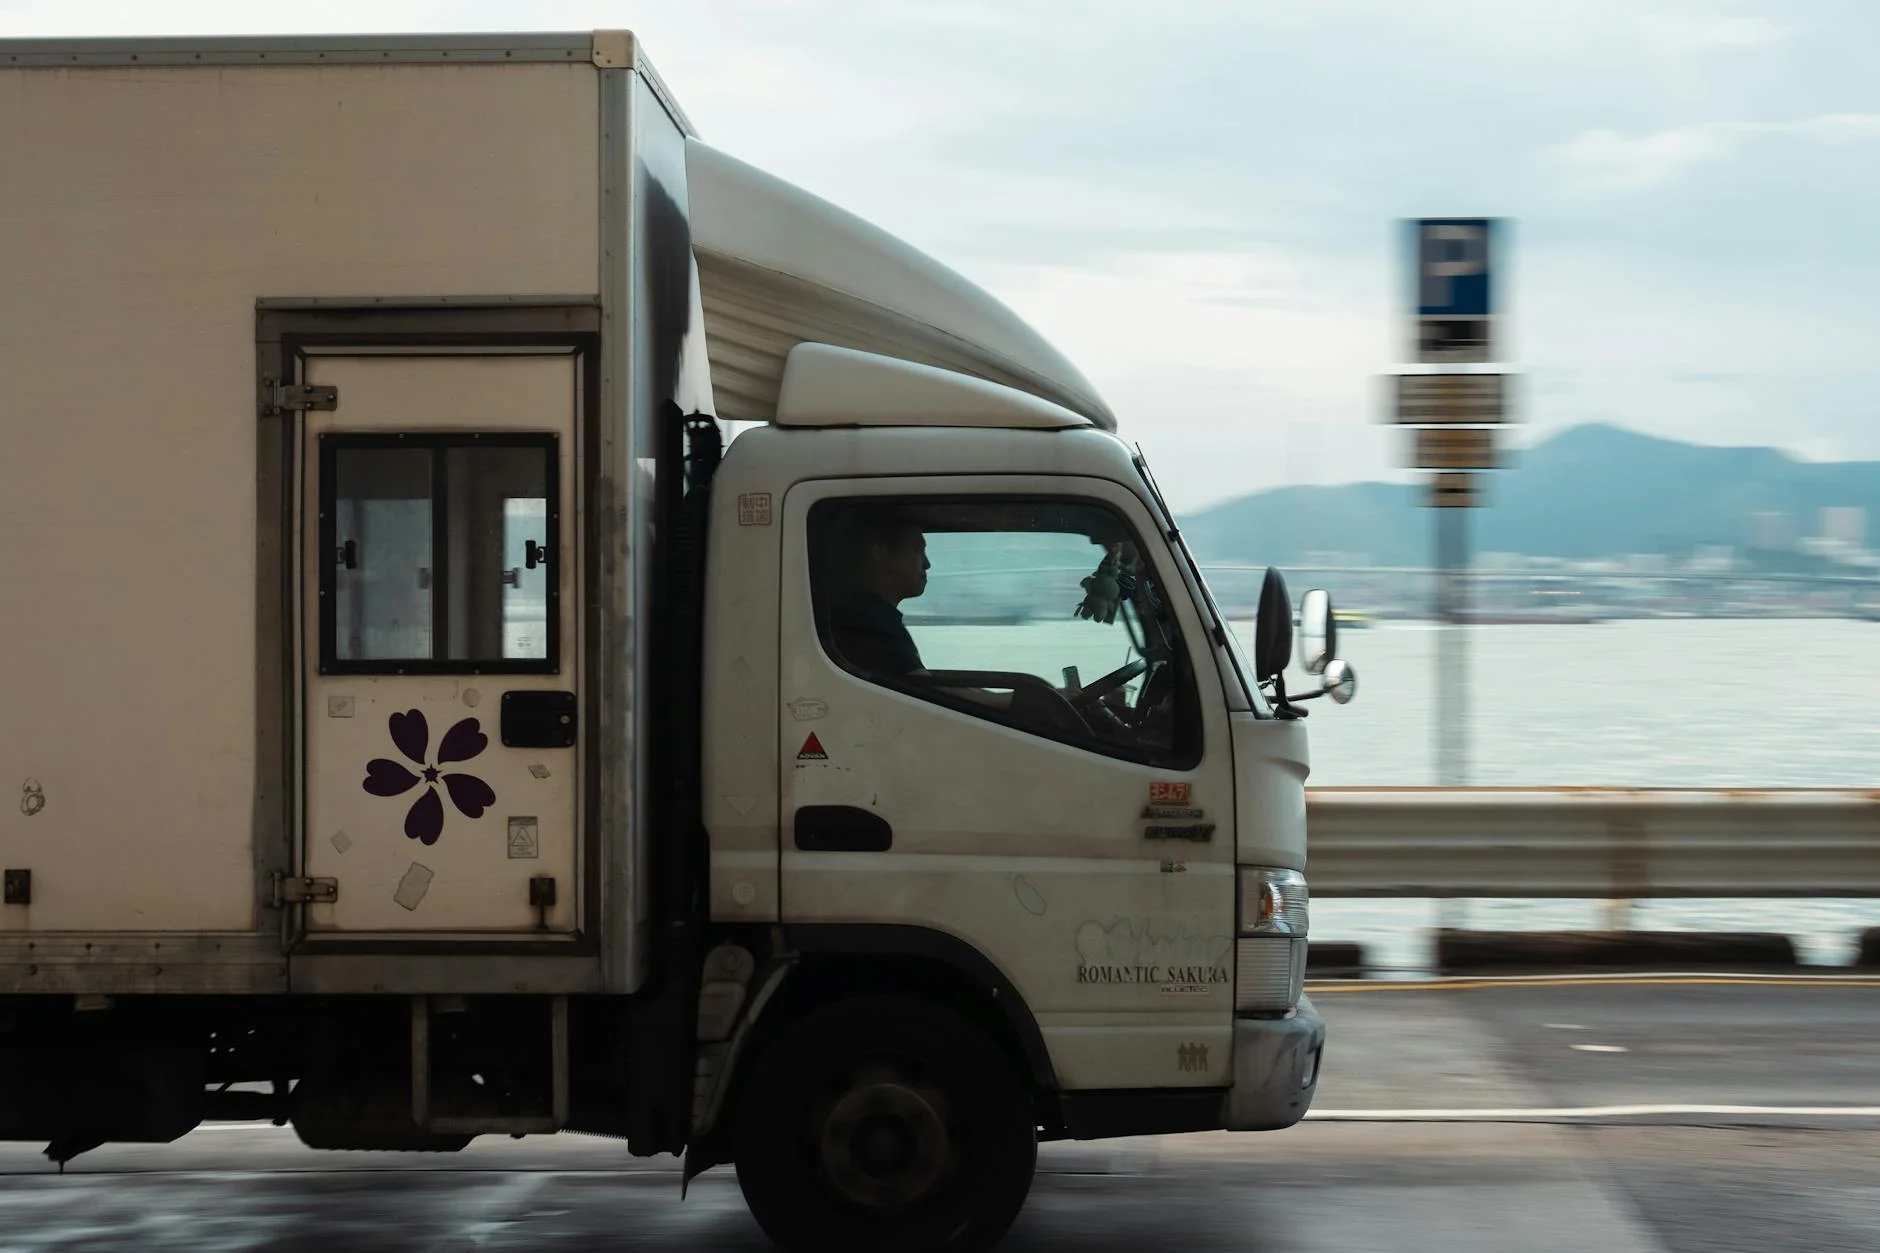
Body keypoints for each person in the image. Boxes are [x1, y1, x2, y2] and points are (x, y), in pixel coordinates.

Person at [829, 511, 930, 676]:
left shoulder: (866, 615)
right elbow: (925, 690)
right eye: (918, 551)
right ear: (883, 556)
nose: (927, 564)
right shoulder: (872, 626)